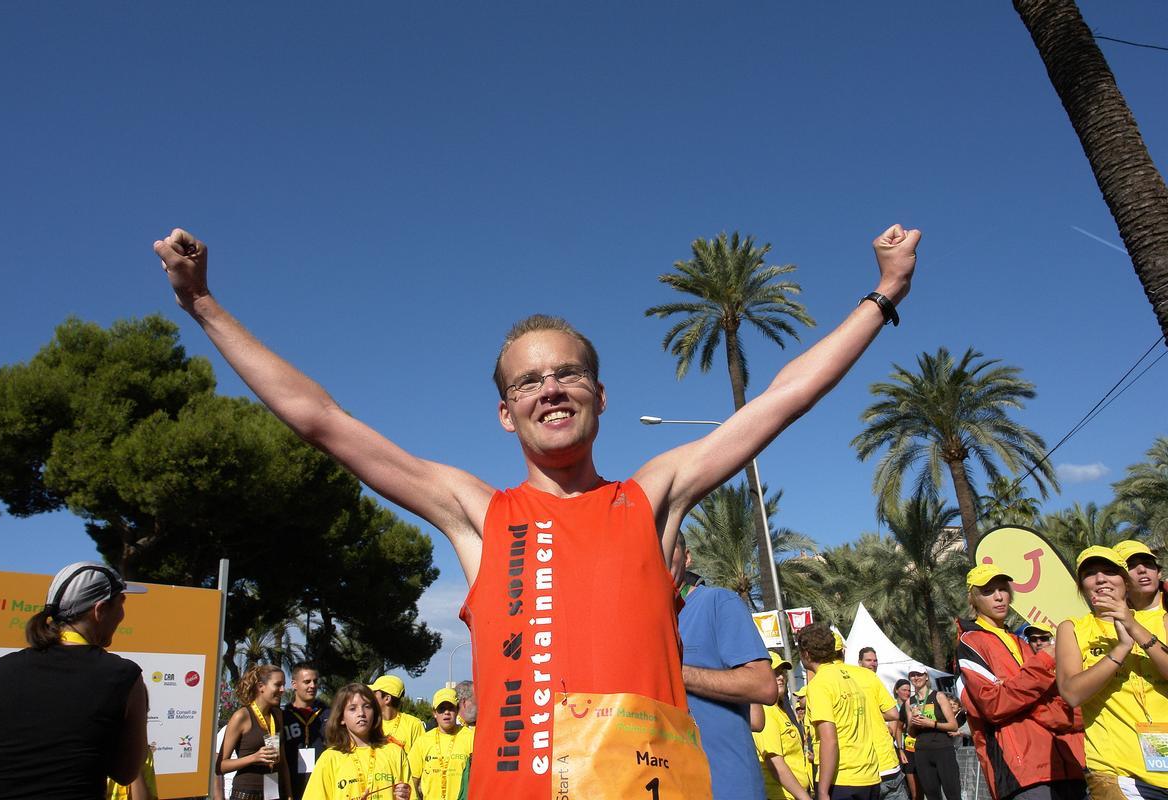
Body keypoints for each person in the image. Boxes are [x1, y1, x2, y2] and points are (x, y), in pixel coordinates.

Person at [154, 222, 920, 798]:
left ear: (599, 395)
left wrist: (882, 295)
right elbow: (321, 418)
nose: (549, 388)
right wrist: (204, 306)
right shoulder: (476, 512)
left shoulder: (652, 496)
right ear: (505, 413)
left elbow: (783, 399)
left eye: (568, 374)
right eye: (528, 382)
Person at [0, 561, 149, 800]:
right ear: (100, 610)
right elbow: (126, 773)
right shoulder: (125, 677)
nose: (122, 615)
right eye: (121, 605)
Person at [956, 563, 1085, 800]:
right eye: (988, 591)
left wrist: (1078, 717)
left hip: (1063, 762)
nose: (998, 596)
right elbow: (994, 705)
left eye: (1003, 589)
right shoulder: (970, 643)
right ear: (973, 599)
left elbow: (1052, 699)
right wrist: (1044, 662)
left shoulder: (1020, 643)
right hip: (1020, 769)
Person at [1056, 546, 1168, 800]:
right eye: (1090, 573)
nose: (1101, 579)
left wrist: (1133, 627)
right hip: (1114, 773)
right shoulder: (1072, 628)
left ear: (1125, 582)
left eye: (1109, 571)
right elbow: (1071, 693)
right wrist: (1122, 648)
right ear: (1082, 586)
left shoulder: (1161, 621)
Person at [678, 540, 776, 799]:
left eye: (667, 547)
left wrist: (675, 672)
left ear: (686, 557)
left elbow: (764, 685)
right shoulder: (647, 618)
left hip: (729, 787)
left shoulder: (717, 601)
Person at [797, 624, 880, 800]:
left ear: (806, 654)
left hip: (841, 778)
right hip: (869, 775)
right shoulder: (848, 677)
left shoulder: (819, 684)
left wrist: (822, 791)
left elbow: (829, 739)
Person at [303, 683, 413, 800]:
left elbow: (412, 794)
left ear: (375, 713)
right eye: (352, 709)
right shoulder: (330, 759)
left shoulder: (395, 753)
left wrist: (405, 796)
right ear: (341, 718)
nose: (361, 713)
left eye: (367, 706)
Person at [220, 664, 292, 800]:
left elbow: (283, 762)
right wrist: (254, 757)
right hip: (246, 794)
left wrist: (289, 795)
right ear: (261, 687)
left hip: (274, 793)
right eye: (278, 685)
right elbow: (220, 766)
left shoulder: (278, 715)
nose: (283, 690)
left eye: (284, 685)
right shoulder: (241, 716)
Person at [753, 652, 813, 800]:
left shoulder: (781, 709)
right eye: (774, 673)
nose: (780, 677)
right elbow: (775, 762)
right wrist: (804, 797)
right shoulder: (766, 711)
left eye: (781, 672)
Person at [843, 657, 902, 800]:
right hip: (882, 765)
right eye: (869, 660)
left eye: (875, 660)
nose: (873, 664)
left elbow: (894, 722)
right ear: (859, 662)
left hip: (860, 769)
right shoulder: (870, 678)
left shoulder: (829, 681)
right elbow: (893, 714)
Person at [409, 688, 474, 800]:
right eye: (441, 709)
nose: (446, 712)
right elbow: (412, 781)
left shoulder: (471, 737)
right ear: (434, 713)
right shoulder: (422, 741)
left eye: (450, 708)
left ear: (457, 710)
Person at [907, 669, 960, 800]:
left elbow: (953, 726)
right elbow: (911, 734)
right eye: (912, 675)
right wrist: (913, 723)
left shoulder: (939, 696)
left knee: (953, 794)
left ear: (926, 677)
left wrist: (932, 724)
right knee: (932, 796)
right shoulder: (910, 702)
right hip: (922, 752)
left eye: (919, 674)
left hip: (943, 750)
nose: (916, 677)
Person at [283, 662, 330, 797]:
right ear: (294, 684)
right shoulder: (283, 717)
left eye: (315, 681)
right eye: (307, 682)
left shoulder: (329, 715)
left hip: (321, 787)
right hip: (292, 787)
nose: (312, 686)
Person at [369, 676, 425, 753]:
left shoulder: (413, 724)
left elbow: (421, 756)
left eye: (374, 693)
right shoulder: (370, 723)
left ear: (387, 699)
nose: (370, 698)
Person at [1115, 540, 1164, 615]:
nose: (1142, 570)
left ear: (1159, 573)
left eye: (1147, 563)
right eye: (1130, 565)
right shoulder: (1114, 620)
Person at [893, 679, 921, 800]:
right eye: (904, 690)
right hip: (897, 748)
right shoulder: (892, 706)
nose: (907, 693)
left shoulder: (915, 704)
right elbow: (895, 728)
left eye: (909, 690)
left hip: (913, 747)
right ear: (896, 690)